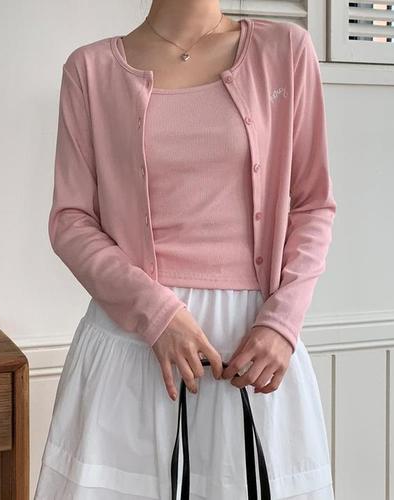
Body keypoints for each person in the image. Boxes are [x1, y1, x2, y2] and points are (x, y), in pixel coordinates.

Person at [34, 1, 337, 499]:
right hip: (132, 345)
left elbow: (313, 205)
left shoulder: (285, 50)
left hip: (253, 349)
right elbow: (70, 220)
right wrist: (157, 315)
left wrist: (282, 323)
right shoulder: (90, 70)